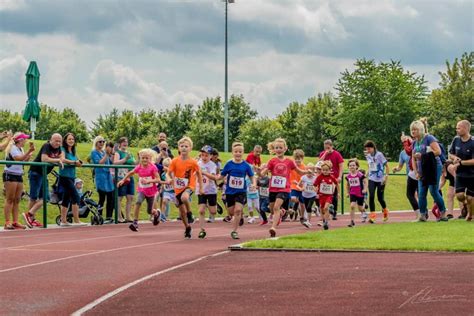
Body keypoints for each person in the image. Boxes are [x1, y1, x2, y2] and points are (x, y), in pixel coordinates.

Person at [260, 138, 309, 238]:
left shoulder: (289, 162)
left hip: (284, 189)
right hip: (273, 189)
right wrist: (258, 172)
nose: (278, 149)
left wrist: (307, 172)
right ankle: (283, 212)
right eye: (276, 147)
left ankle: (273, 228)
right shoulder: (272, 161)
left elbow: (299, 171)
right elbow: (263, 173)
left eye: (280, 147)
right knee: (272, 209)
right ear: (274, 149)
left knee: (276, 207)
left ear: (285, 149)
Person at [23, 133, 63, 228]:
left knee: (46, 198)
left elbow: (62, 157)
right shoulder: (46, 145)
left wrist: (59, 159)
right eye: (56, 140)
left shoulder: (59, 148)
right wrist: (57, 160)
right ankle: (30, 218)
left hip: (43, 174)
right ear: (51, 140)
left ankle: (29, 215)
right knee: (34, 197)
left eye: (59, 141)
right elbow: (44, 159)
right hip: (35, 172)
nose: (57, 143)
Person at [166, 136, 204, 238]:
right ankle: (187, 227)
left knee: (185, 197)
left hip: (189, 186)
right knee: (181, 211)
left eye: (186, 146)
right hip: (178, 188)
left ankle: (190, 213)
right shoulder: (174, 161)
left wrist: (200, 187)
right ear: (178, 148)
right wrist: (169, 178)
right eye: (181, 146)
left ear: (190, 149)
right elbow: (168, 173)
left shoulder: (193, 162)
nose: (183, 148)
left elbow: (199, 174)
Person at [410, 119, 448, 222]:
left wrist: (423, 155)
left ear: (421, 130)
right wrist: (416, 172)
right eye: (412, 130)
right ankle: (422, 215)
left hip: (434, 167)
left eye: (415, 130)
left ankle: (443, 212)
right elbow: (413, 158)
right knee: (421, 192)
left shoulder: (429, 138)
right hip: (422, 169)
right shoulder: (414, 143)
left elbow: (438, 152)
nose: (413, 132)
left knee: (433, 191)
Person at [118, 149, 162, 232]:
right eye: (143, 158)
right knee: (138, 202)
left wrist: (149, 181)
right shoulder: (139, 167)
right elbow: (131, 173)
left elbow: (158, 179)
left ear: (150, 159)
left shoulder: (153, 167)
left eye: (146, 158)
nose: (144, 160)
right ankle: (135, 223)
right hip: (142, 189)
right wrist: (123, 180)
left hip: (151, 191)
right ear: (140, 158)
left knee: (149, 211)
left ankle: (156, 213)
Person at [219, 142, 256, 239]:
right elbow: (221, 176)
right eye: (236, 151)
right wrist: (212, 177)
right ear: (232, 153)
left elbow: (252, 176)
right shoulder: (228, 164)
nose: (238, 153)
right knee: (231, 212)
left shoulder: (246, 165)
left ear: (243, 153)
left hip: (241, 192)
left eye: (240, 151)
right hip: (230, 192)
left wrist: (254, 184)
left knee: (238, 210)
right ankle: (240, 216)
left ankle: (234, 231)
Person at [3, 132, 35, 229]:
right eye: (24, 139)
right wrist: (29, 151)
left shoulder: (21, 149)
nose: (25, 140)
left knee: (17, 199)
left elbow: (24, 161)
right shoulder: (12, 148)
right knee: (10, 199)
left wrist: (29, 154)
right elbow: (18, 158)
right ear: (20, 140)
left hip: (18, 175)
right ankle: (7, 222)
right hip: (10, 174)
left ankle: (15, 221)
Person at [58, 133, 86, 226]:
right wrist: (74, 162)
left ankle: (63, 221)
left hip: (71, 177)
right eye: (69, 139)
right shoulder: (62, 149)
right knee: (76, 197)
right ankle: (77, 220)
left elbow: (79, 160)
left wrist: (79, 162)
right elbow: (62, 159)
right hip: (64, 177)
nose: (71, 141)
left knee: (66, 198)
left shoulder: (73, 151)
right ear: (65, 140)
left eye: (73, 139)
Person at [449, 120, 474, 221]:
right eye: (456, 128)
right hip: (460, 174)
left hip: (472, 175)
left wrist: (461, 162)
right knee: (459, 196)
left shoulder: (473, 142)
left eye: (459, 128)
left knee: (470, 198)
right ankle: (465, 205)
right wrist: (454, 158)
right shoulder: (456, 140)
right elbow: (450, 154)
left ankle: (470, 215)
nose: (457, 130)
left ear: (466, 128)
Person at [392, 133, 419, 219]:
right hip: (411, 175)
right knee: (413, 195)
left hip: (417, 173)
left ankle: (421, 213)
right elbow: (400, 167)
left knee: (418, 194)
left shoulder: (415, 148)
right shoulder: (402, 153)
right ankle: (421, 212)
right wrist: (396, 169)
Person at [364, 140, 390, 223]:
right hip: (371, 179)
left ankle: (385, 211)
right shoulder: (368, 156)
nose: (367, 151)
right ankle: (372, 217)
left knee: (380, 198)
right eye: (366, 149)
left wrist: (386, 176)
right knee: (371, 196)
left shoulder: (379, 155)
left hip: (380, 179)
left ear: (373, 148)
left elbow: (387, 166)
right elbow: (370, 166)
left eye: (369, 149)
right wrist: (365, 175)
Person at [91, 136, 115, 224]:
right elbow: (100, 163)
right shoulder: (94, 152)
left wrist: (111, 153)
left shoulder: (104, 152)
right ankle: (99, 216)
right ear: (96, 143)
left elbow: (111, 162)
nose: (101, 143)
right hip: (101, 177)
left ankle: (109, 216)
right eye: (100, 142)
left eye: (103, 142)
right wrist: (107, 155)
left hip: (108, 177)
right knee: (102, 198)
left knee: (111, 197)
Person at [196, 145, 218, 238]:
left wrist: (204, 173)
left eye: (206, 155)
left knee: (213, 212)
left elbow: (214, 177)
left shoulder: (212, 165)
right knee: (201, 210)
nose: (204, 157)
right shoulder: (197, 163)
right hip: (201, 189)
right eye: (202, 155)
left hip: (211, 190)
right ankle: (202, 230)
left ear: (211, 156)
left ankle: (213, 205)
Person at [318, 140, 344, 220]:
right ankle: (326, 211)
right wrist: (325, 153)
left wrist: (340, 176)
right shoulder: (323, 154)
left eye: (328, 147)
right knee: (324, 195)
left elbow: (341, 166)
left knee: (334, 195)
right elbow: (319, 163)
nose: (327, 149)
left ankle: (334, 212)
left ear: (332, 146)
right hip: (324, 178)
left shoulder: (336, 154)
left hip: (333, 177)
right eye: (325, 147)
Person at [114, 137, 136, 223]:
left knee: (130, 197)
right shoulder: (117, 153)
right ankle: (119, 216)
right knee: (120, 197)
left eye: (126, 142)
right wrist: (125, 159)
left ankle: (128, 216)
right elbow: (115, 163)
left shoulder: (129, 153)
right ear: (120, 143)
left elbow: (134, 163)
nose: (125, 143)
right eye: (123, 142)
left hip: (130, 176)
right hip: (121, 176)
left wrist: (139, 159)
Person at [314, 161, 338, 230]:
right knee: (321, 209)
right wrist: (315, 191)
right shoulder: (319, 177)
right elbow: (315, 185)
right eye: (323, 170)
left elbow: (336, 184)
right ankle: (324, 220)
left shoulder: (331, 177)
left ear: (330, 170)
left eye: (326, 170)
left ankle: (326, 222)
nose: (325, 171)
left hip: (329, 196)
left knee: (325, 208)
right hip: (321, 196)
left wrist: (338, 193)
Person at [289, 149, 310, 227]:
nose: (297, 160)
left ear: (302, 158)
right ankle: (294, 208)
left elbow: (307, 176)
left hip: (301, 187)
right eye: (296, 159)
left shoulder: (304, 167)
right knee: (293, 198)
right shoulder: (292, 166)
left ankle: (301, 217)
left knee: (303, 204)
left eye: (299, 159)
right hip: (293, 185)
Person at [345, 159, 368, 227]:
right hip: (352, 193)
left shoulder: (359, 174)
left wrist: (365, 189)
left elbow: (366, 181)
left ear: (357, 166)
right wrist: (347, 192)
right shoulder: (348, 176)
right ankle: (352, 221)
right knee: (352, 206)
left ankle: (363, 212)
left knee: (360, 208)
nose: (352, 167)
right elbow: (347, 185)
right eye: (350, 165)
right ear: (348, 167)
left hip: (360, 193)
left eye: (353, 165)